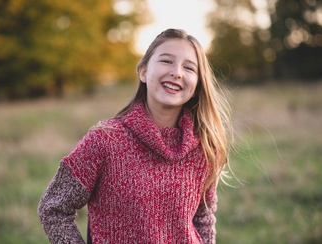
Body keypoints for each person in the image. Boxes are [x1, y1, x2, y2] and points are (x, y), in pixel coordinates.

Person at [38, 28, 232, 244]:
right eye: (167, 61)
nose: (177, 72)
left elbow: (203, 219)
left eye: (188, 67)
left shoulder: (204, 148)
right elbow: (53, 208)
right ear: (143, 72)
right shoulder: (105, 140)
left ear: (196, 86)